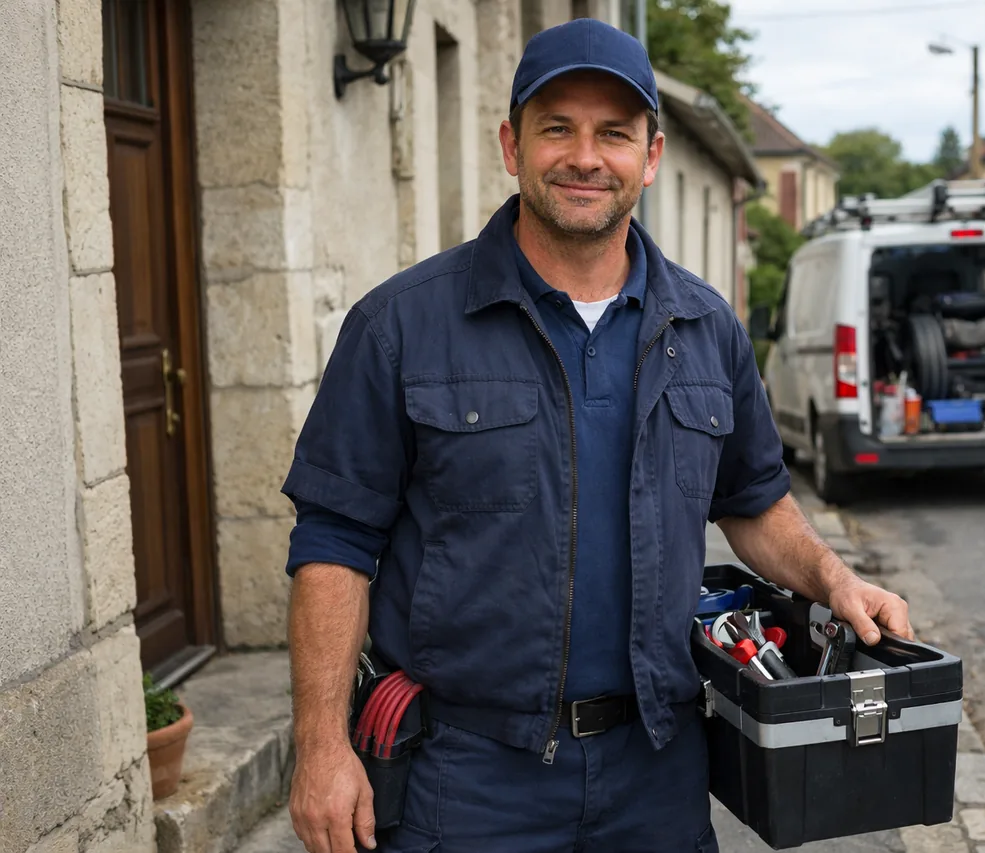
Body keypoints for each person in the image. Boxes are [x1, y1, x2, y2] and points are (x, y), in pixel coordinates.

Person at [281, 17, 912, 853]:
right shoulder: (400, 328)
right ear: (512, 145)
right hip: (466, 779)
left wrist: (835, 579)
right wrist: (323, 745)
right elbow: (334, 539)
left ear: (649, 156)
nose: (586, 156)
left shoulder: (706, 328)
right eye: (557, 129)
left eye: (614, 133)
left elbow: (753, 501)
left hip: (657, 771)